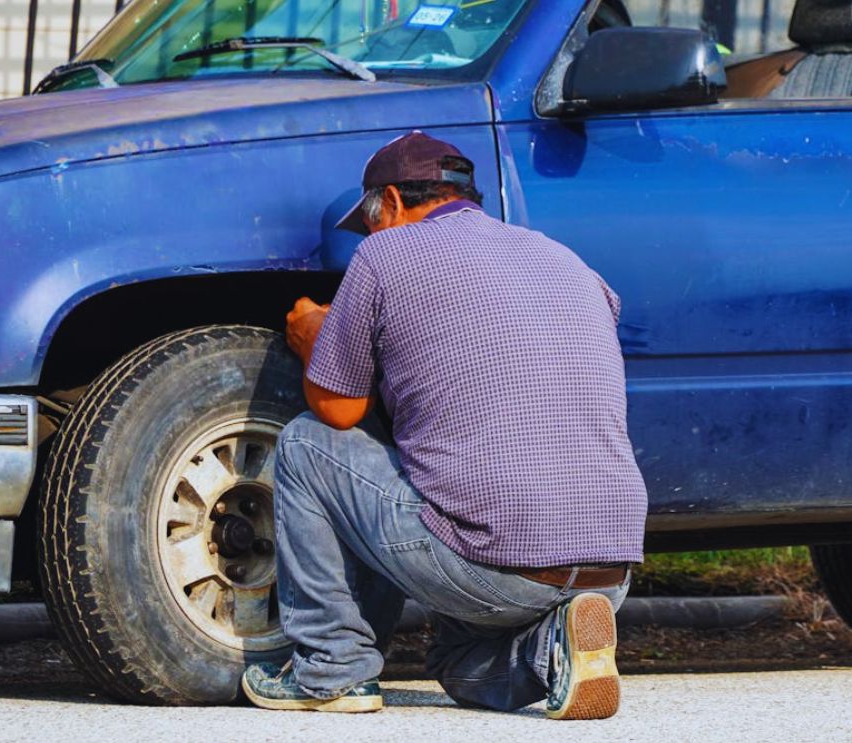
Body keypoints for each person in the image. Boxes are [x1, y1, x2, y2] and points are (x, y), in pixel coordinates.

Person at [241, 131, 648, 720]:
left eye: (372, 221)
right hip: (610, 568)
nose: (371, 235)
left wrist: (315, 340)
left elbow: (339, 412)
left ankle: (331, 671)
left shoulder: (385, 256)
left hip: (495, 565)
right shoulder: (567, 261)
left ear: (394, 203)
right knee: (457, 664)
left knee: (308, 444)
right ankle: (552, 650)